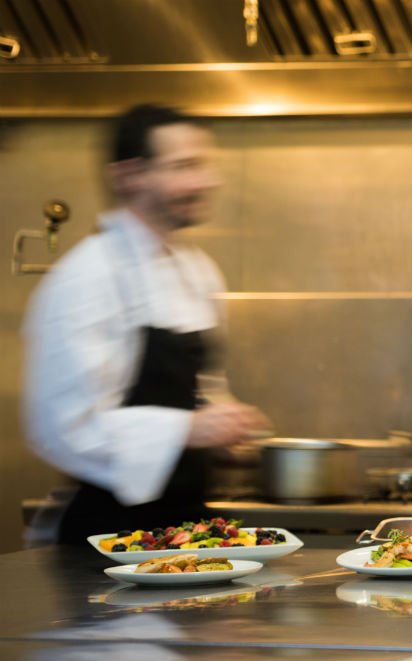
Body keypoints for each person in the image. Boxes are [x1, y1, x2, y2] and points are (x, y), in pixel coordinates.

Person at [22, 104, 269, 544]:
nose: (206, 181)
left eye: (205, 165)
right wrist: (189, 429)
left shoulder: (197, 270)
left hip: (184, 526)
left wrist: (222, 428)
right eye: (184, 167)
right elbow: (63, 427)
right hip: (107, 538)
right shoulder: (87, 277)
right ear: (129, 176)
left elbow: (200, 388)